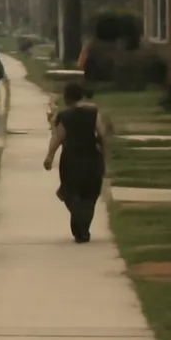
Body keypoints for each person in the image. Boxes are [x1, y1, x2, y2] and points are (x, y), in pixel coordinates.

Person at [43, 81, 106, 243]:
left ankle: (81, 226)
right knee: (90, 195)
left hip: (72, 159)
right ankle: (83, 228)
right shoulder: (94, 112)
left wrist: (49, 157)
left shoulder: (65, 116)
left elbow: (58, 137)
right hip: (93, 157)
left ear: (67, 98)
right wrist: (103, 153)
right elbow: (102, 133)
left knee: (72, 193)